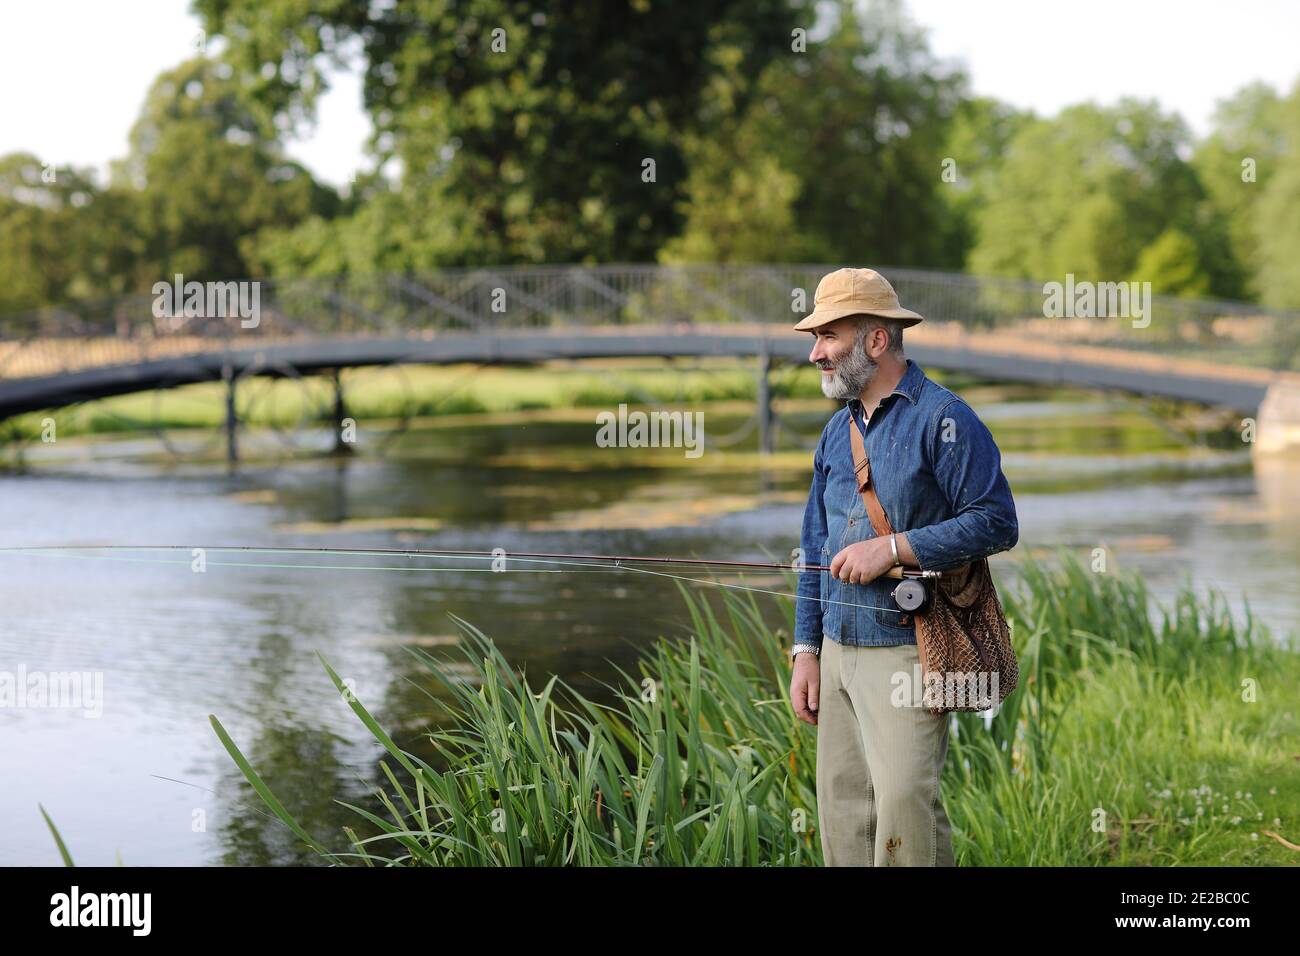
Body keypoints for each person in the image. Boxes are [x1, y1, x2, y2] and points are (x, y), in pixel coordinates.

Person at [788, 267, 1019, 866]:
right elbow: (814, 546)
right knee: (843, 819)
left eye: (828, 337)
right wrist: (806, 651)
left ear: (876, 340)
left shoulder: (946, 419)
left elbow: (996, 521)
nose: (816, 353)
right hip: (836, 652)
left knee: (903, 816)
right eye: (815, 339)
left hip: (906, 649)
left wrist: (891, 549)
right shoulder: (835, 432)